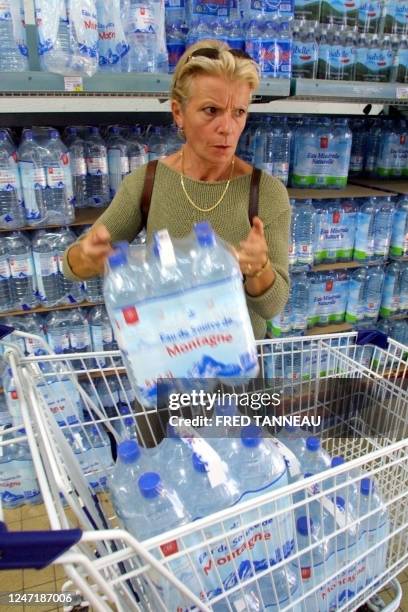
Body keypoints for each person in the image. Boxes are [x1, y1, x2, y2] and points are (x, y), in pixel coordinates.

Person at [63, 39, 290, 340]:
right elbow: (73, 264)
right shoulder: (149, 181)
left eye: (238, 112)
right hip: (169, 366)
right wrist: (86, 258)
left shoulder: (266, 193)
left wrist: (259, 269)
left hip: (243, 375)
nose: (228, 127)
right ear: (178, 113)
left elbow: (273, 306)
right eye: (211, 110)